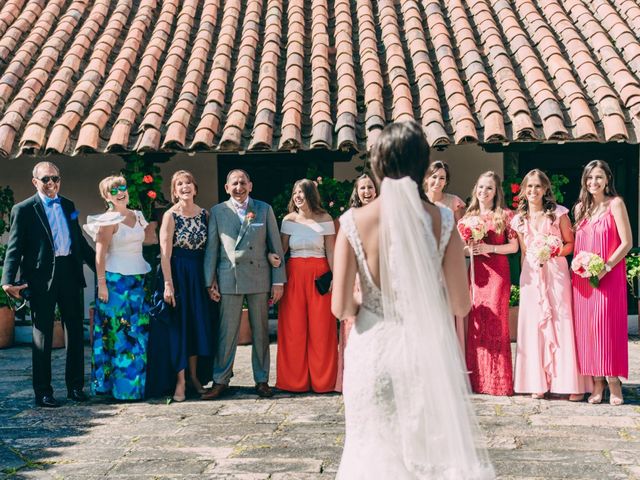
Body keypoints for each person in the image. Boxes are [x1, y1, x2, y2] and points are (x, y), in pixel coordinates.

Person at [332, 121, 494, 478]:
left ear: (377, 164)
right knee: (426, 456)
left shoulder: (351, 222)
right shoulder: (444, 221)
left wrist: (370, 305)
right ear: (422, 166)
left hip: (372, 350)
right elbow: (460, 306)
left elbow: (341, 307)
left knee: (369, 451)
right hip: (424, 351)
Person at [1, 161, 95, 408]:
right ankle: (43, 392)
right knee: (41, 335)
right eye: (46, 179)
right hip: (41, 278)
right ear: (35, 182)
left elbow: (80, 241)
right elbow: (15, 247)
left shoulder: (70, 206)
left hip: (70, 273)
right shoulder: (23, 209)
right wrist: (7, 281)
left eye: (55, 178)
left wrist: (102, 269)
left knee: (74, 332)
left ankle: (76, 387)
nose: (52, 183)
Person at [203, 169, 286, 399]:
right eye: (234, 184)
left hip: (259, 276)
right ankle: (220, 380)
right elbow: (212, 249)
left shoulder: (263, 209)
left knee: (261, 332)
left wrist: (278, 280)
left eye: (242, 183)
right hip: (229, 276)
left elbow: (275, 247)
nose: (238, 187)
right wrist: (210, 282)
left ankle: (262, 380)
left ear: (250, 185)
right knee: (226, 332)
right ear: (226, 188)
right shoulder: (218, 211)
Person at [511, 169, 588, 401]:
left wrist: (553, 251)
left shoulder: (559, 213)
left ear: (545, 189)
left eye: (537, 186)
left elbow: (570, 243)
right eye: (529, 186)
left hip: (556, 273)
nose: (533, 190)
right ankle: (537, 381)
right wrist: (526, 278)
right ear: (524, 190)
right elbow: (524, 252)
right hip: (532, 276)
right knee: (534, 326)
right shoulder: (519, 220)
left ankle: (569, 383)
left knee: (561, 322)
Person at [149, 170, 217, 402]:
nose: (185, 186)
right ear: (174, 191)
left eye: (188, 182)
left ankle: (195, 377)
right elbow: (164, 254)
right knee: (179, 327)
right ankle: (179, 381)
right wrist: (168, 284)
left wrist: (212, 280)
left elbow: (210, 251)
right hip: (176, 273)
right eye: (179, 184)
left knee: (196, 327)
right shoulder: (170, 215)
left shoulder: (205, 214)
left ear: (195, 188)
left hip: (198, 275)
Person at [83, 176, 151, 401]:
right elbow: (99, 255)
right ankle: (119, 389)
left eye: (123, 188)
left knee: (138, 333)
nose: (120, 192)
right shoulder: (107, 221)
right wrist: (102, 284)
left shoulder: (138, 215)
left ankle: (136, 387)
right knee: (118, 335)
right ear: (106, 196)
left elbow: (149, 240)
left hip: (137, 280)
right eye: (114, 190)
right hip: (115, 282)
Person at [572, 160, 631, 405]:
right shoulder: (579, 210)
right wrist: (580, 268)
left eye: (598, 177)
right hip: (583, 280)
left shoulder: (615, 204)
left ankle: (613, 380)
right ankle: (596, 382)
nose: (593, 182)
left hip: (609, 275)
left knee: (607, 327)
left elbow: (626, 242)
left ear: (607, 179)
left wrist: (605, 268)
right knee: (587, 329)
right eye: (589, 178)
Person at [459, 171, 518, 396]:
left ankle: (498, 381)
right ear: (476, 189)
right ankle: (477, 380)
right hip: (477, 273)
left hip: (497, 273)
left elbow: (513, 247)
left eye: (489, 188)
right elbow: (461, 248)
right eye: (481, 187)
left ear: (496, 192)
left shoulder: (505, 216)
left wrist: (489, 248)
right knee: (477, 321)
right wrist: (470, 249)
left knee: (496, 323)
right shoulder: (468, 217)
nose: (484, 192)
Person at [276, 179, 337, 393]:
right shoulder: (289, 220)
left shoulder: (325, 218)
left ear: (310, 194)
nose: (297, 196)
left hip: (319, 276)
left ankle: (323, 381)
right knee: (293, 328)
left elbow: (331, 251)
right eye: (295, 192)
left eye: (301, 192)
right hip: (293, 276)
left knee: (322, 329)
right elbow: (281, 251)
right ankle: (294, 381)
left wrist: (335, 279)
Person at [335, 174, 378, 392]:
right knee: (353, 327)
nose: (367, 192)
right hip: (356, 277)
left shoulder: (383, 216)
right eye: (363, 188)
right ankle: (354, 378)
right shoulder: (349, 218)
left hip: (378, 278)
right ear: (357, 192)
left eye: (370, 187)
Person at [425, 160, 467, 354]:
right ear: (426, 178)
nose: (437, 181)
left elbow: (463, 233)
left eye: (442, 178)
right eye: (434, 177)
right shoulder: (417, 201)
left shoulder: (454, 202)